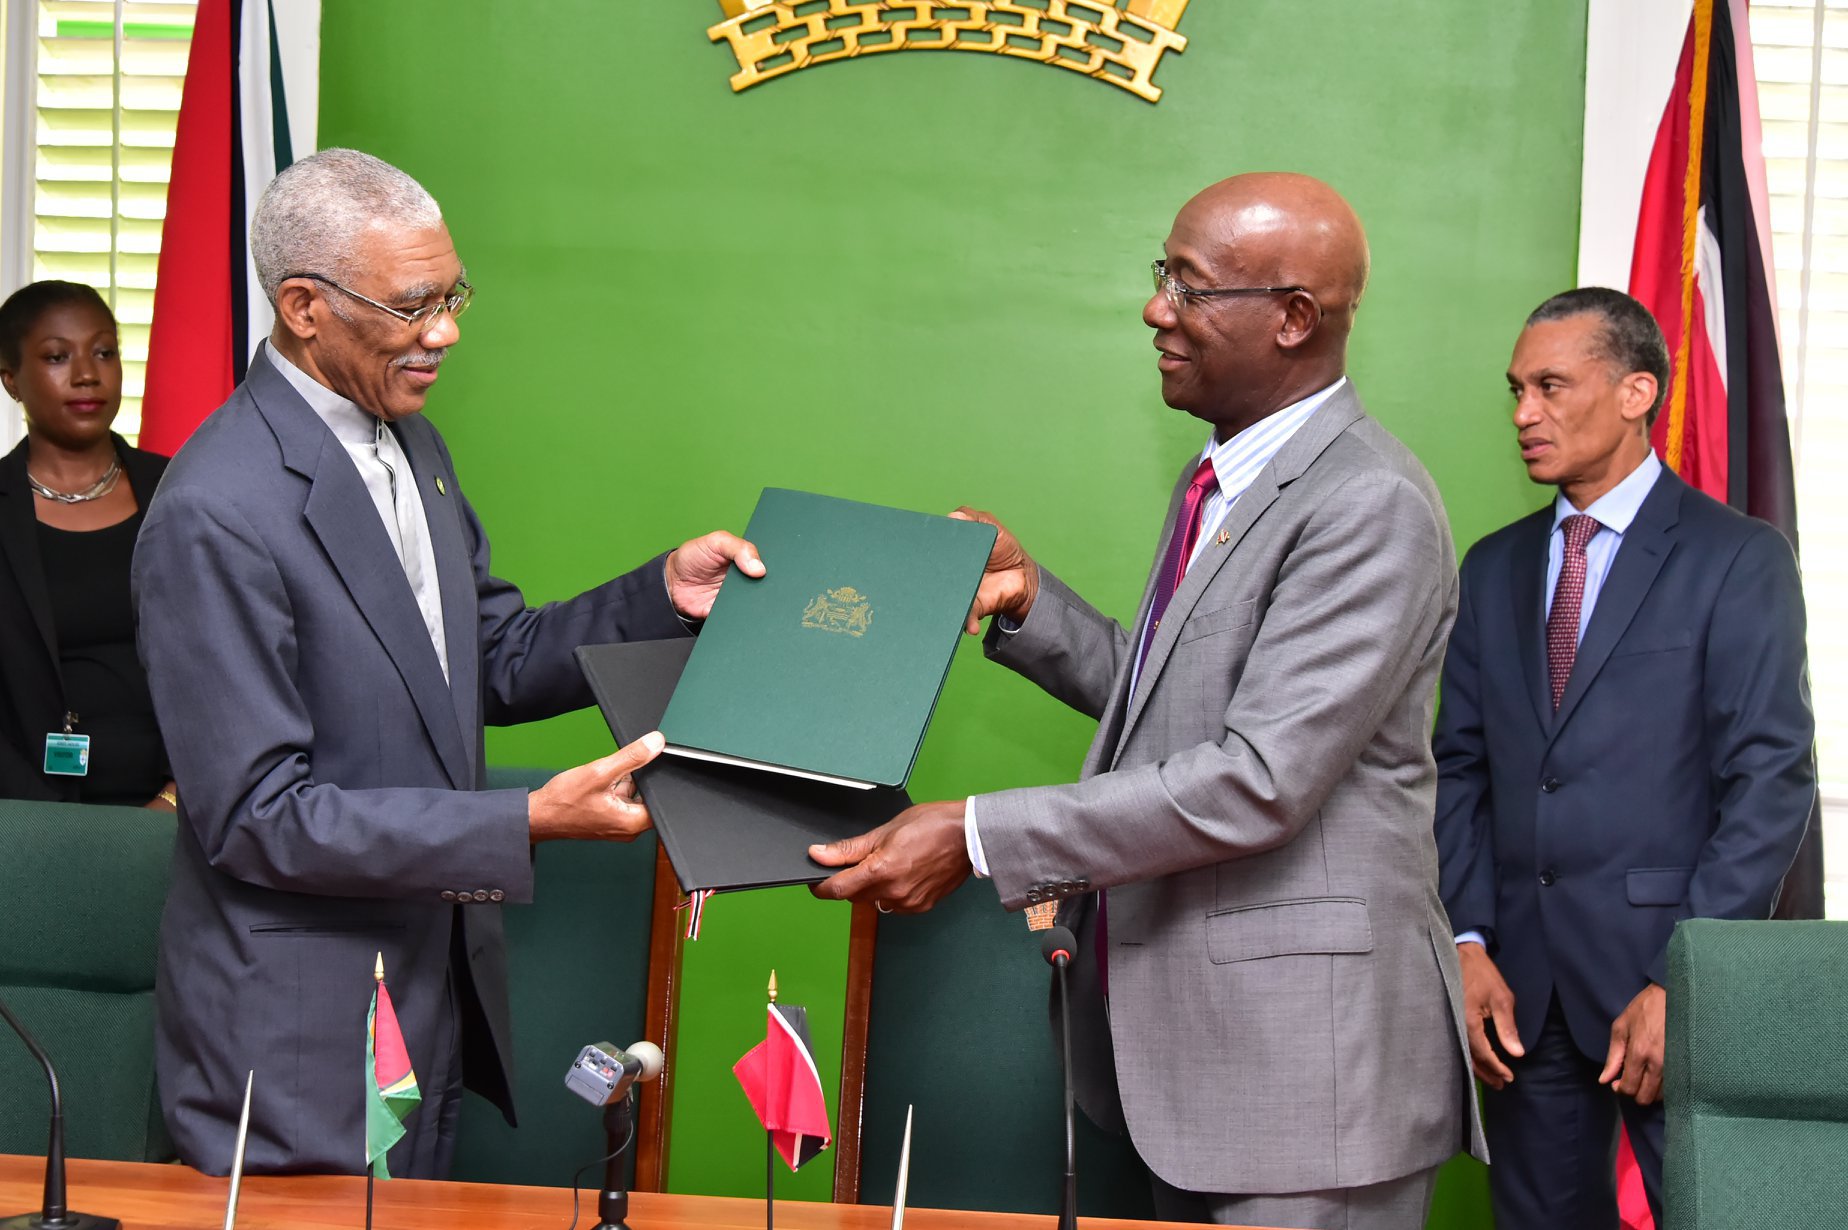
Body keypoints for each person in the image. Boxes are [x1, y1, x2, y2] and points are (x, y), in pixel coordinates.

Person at [811, 173, 1485, 1230]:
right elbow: (1181, 703)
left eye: (1190, 286)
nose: (1154, 308)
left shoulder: (1369, 504)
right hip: (1203, 1067)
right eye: (1161, 274)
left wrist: (979, 832)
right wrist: (1031, 604)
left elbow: (1258, 781)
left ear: (1294, 318)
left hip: (1308, 1090)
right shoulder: (1221, 476)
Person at [133, 149, 763, 1179]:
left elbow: (490, 660)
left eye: (454, 293)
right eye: (415, 303)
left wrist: (662, 595)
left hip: (427, 990)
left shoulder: (407, 441)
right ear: (304, 306)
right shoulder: (217, 510)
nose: (447, 332)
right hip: (299, 1031)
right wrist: (519, 822)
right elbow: (256, 817)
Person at [1431, 287, 1815, 1228]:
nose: (1525, 413)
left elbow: (1771, 778)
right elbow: (1458, 768)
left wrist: (1680, 974)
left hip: (1664, 979)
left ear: (1638, 391)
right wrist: (1468, 943)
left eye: (1552, 386)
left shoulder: (1738, 559)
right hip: (1519, 994)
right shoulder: (1492, 567)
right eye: (1517, 390)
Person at [0, 281, 175, 809]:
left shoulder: (182, 492)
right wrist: (55, 829)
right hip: (29, 819)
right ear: (11, 380)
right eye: (57, 356)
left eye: (104, 352)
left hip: (190, 815)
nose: (86, 374)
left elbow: (234, 664)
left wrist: (176, 799)